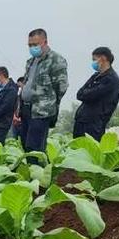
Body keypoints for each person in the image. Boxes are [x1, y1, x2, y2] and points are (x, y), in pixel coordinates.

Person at [16, 28, 68, 161]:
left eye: (35, 44)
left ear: (45, 42)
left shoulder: (56, 60)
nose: (32, 47)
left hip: (41, 111)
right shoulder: (30, 61)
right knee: (25, 144)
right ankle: (31, 172)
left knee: (35, 147)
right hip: (26, 109)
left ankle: (38, 176)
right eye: (30, 45)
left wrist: (48, 102)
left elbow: (61, 86)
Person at [73, 47, 119, 141]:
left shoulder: (111, 79)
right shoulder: (96, 76)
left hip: (94, 125)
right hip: (82, 121)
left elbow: (88, 95)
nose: (93, 63)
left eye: (94, 60)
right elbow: (79, 94)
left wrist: (86, 92)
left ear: (103, 58)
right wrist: (86, 93)